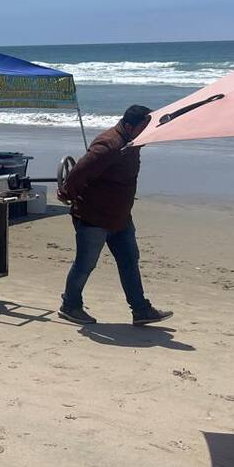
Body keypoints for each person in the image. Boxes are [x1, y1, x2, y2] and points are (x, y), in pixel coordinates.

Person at [56, 105, 172, 326]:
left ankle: (140, 310)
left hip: (120, 217)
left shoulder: (133, 142)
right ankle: (70, 306)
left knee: (129, 261)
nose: (147, 133)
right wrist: (66, 193)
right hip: (94, 218)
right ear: (128, 126)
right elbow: (79, 171)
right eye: (144, 128)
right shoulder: (108, 145)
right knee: (85, 264)